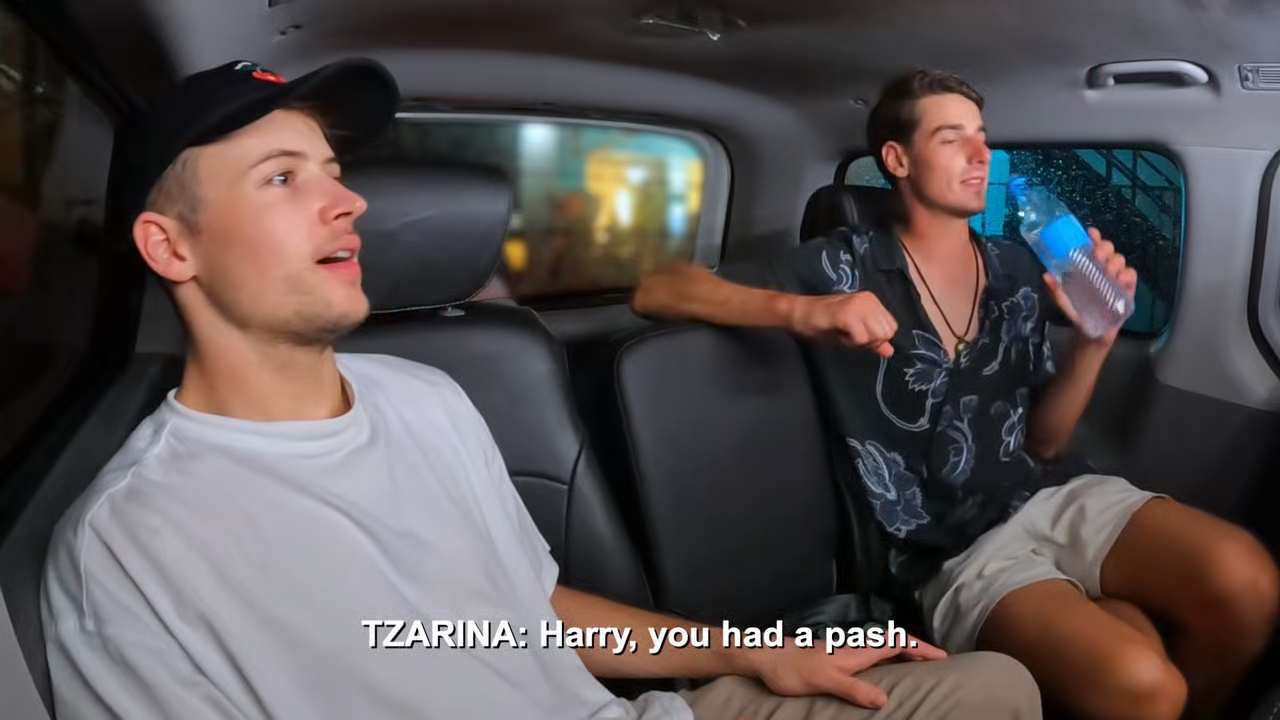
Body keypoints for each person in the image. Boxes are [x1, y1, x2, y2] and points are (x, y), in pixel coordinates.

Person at [39, 58, 1043, 720]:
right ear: (170, 245)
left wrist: (752, 654)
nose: (348, 199)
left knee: (996, 688)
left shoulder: (424, 398)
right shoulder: (130, 543)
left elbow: (527, 612)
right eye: (280, 177)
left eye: (334, 169)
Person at [631, 69, 1280, 720]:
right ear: (898, 159)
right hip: (949, 546)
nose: (981, 154)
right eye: (952, 138)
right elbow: (657, 288)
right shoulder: (840, 265)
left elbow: (1046, 441)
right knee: (1146, 685)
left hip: (1050, 492)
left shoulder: (1017, 267)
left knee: (1247, 581)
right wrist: (805, 310)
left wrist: (1095, 342)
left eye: (982, 136)